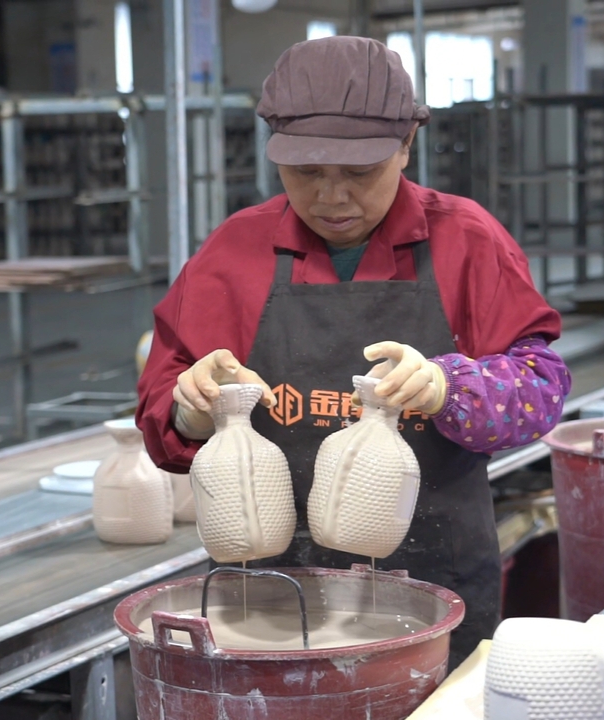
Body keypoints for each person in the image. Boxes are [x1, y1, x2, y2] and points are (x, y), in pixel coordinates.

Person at [136, 36, 570, 667]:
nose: (332, 198)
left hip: (432, 588)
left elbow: (541, 388)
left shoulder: (466, 241)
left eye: (359, 173)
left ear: (406, 145)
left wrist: (451, 389)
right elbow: (161, 405)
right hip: (268, 597)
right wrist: (193, 411)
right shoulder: (235, 251)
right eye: (306, 173)